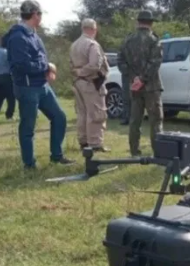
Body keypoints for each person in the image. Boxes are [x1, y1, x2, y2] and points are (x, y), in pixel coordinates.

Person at [2, 0, 73, 168]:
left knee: (59, 117)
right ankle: (29, 164)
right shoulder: (18, 37)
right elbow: (22, 65)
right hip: (27, 88)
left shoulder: (33, 34)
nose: (41, 18)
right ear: (35, 14)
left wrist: (46, 69)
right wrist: (47, 66)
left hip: (42, 85)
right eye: (40, 14)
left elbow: (40, 56)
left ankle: (57, 155)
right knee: (28, 126)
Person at [117, 10, 163, 157]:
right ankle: (158, 152)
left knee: (135, 120)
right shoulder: (154, 40)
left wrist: (134, 78)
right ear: (151, 23)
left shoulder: (128, 40)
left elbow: (120, 61)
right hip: (151, 87)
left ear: (138, 22)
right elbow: (155, 62)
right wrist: (143, 79)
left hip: (134, 87)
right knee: (155, 121)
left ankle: (134, 151)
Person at [69, 18, 110, 152]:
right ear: (93, 29)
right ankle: (95, 143)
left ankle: (83, 141)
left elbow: (71, 64)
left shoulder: (74, 45)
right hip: (91, 82)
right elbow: (94, 65)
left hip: (78, 82)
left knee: (82, 113)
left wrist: (77, 73)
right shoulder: (92, 44)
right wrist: (83, 72)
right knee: (96, 113)